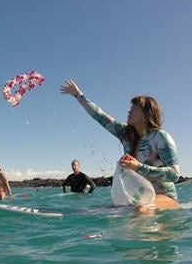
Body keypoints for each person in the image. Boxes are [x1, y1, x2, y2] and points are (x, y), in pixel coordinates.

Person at [60, 79, 180, 210]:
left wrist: (138, 167)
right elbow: (100, 116)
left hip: (164, 196)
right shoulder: (126, 135)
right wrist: (78, 95)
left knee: (141, 209)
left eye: (134, 108)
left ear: (146, 113)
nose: (129, 111)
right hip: (139, 198)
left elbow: (174, 175)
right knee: (103, 210)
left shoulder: (160, 137)